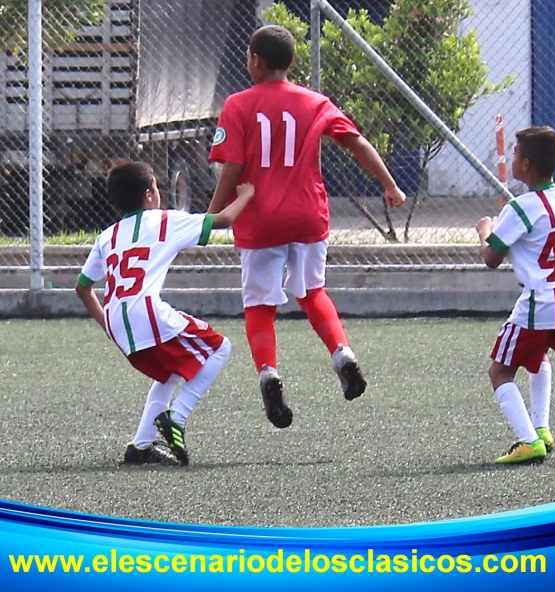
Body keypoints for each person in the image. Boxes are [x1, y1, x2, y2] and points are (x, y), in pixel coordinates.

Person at [208, 25, 406, 429]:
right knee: (312, 292)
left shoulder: (238, 104)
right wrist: (389, 183)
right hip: (306, 215)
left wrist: (213, 213)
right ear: (292, 62)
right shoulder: (315, 102)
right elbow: (356, 142)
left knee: (261, 304)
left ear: (255, 61)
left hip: (260, 219)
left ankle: (269, 373)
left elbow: (233, 165)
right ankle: (342, 354)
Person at [75, 162, 254, 466]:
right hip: (147, 315)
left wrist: (108, 324)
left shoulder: (107, 236)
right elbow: (223, 220)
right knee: (220, 347)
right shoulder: (165, 221)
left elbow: (82, 287)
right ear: (149, 195)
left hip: (119, 326)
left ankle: (140, 447)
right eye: (156, 187)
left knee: (170, 374)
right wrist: (247, 194)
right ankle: (178, 417)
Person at [475, 126, 555, 464]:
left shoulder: (521, 207)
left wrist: (485, 230)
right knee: (538, 356)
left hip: (541, 303)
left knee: (500, 372)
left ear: (525, 164)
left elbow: (491, 258)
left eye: (515, 154)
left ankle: (528, 441)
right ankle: (541, 428)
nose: (512, 160)